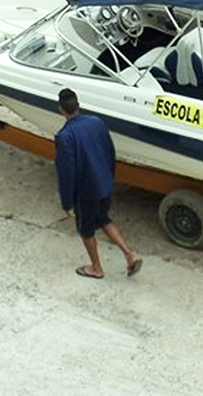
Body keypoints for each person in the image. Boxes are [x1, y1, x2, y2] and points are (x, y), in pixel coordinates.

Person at [54, 88, 142, 279]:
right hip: (104, 184)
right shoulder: (97, 122)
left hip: (87, 192)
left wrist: (67, 203)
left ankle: (96, 268)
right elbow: (110, 152)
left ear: (61, 109)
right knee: (103, 219)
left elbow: (67, 173)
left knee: (86, 230)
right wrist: (110, 178)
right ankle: (130, 254)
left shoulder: (65, 137)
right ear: (78, 105)